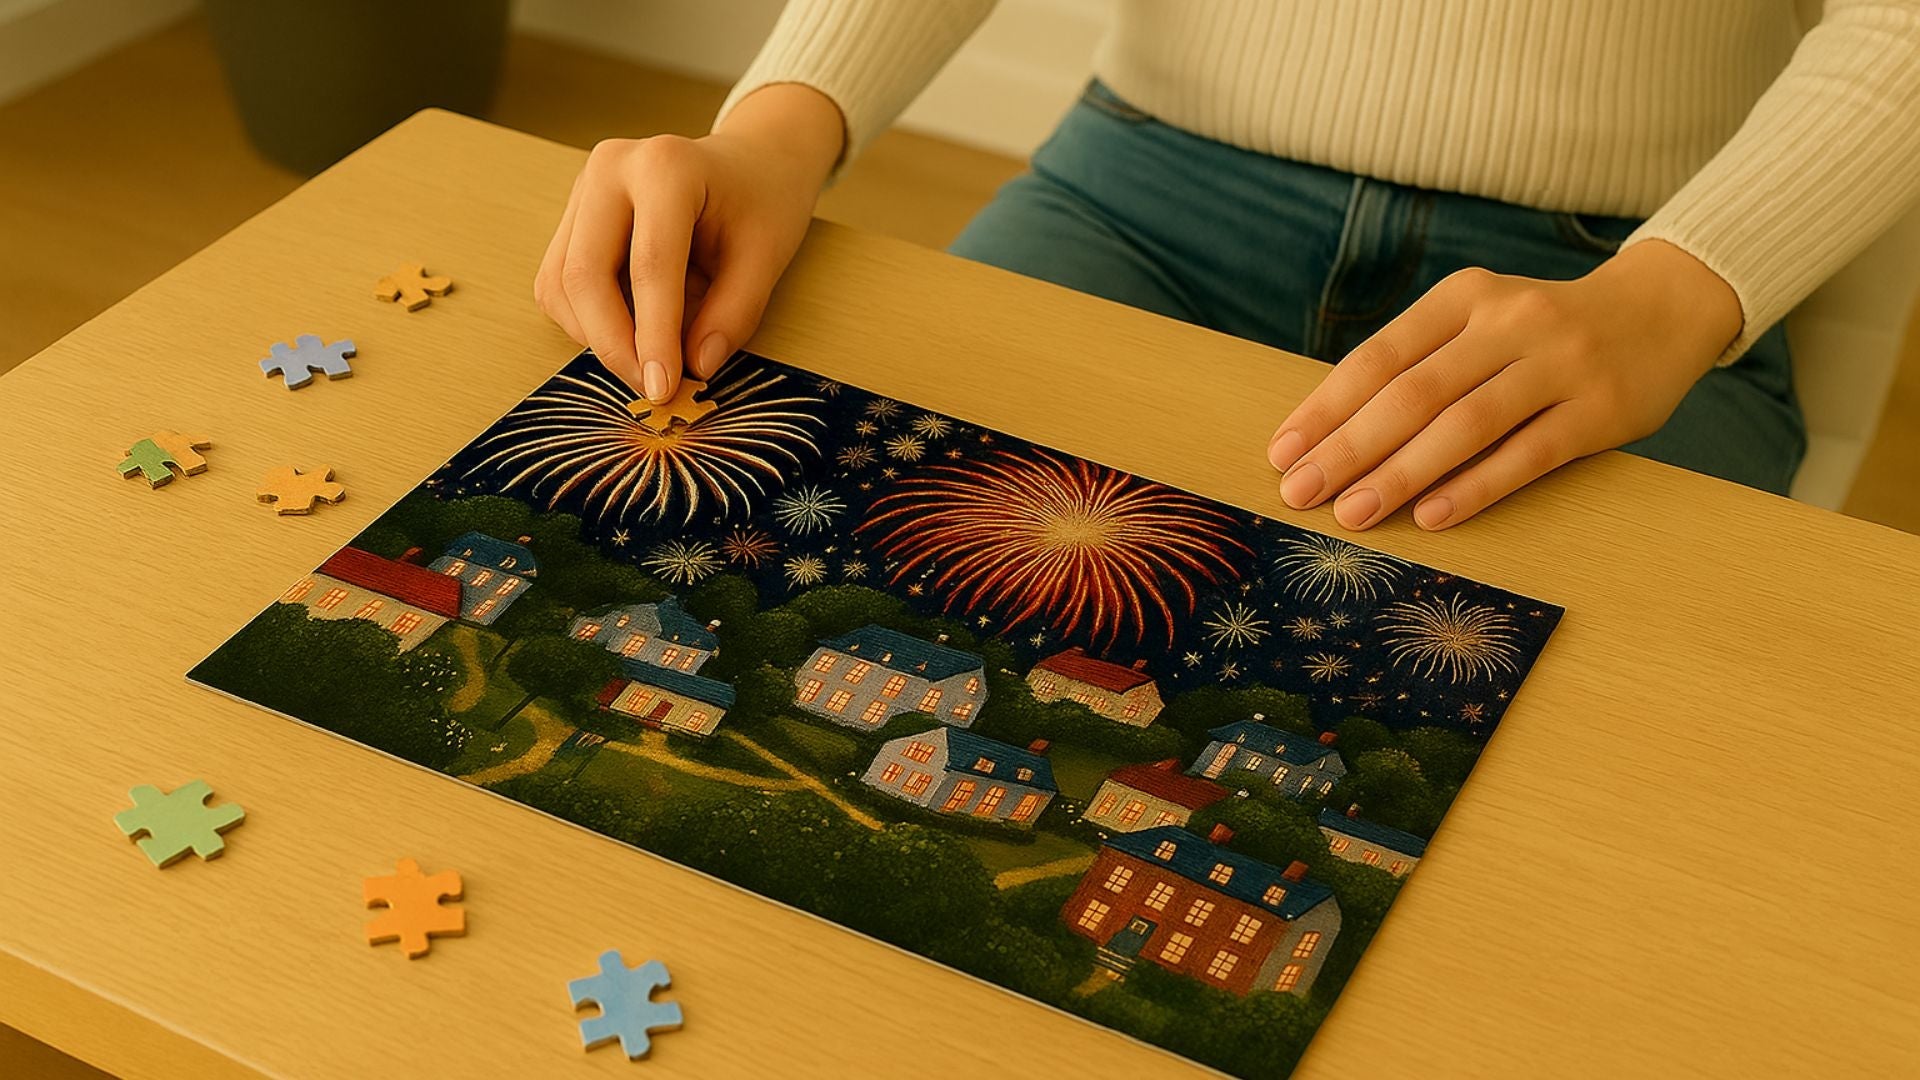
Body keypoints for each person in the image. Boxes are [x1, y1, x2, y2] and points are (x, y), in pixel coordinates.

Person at [534, 1, 1920, 531]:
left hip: (1624, 269)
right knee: (809, 542)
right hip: (1148, 189)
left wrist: (1676, 296)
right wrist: (781, 128)